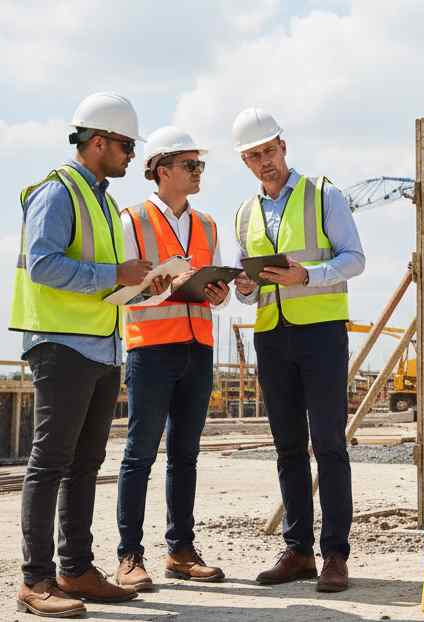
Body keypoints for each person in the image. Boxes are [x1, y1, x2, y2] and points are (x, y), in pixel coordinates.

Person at [10, 92, 148, 617]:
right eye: (126, 145)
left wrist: (143, 281)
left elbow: (103, 275)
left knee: (87, 463)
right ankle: (35, 580)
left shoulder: (105, 200)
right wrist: (116, 275)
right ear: (98, 142)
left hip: (102, 344)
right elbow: (44, 266)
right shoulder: (57, 192)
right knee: (50, 463)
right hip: (61, 344)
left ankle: (76, 569)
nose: (131, 155)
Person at [230, 107, 365, 592]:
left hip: (321, 333)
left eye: (269, 151)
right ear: (245, 162)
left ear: (283, 147)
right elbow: (247, 288)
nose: (264, 162)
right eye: (253, 156)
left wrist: (307, 275)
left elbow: (355, 259)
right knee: (287, 446)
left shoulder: (323, 193)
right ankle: (298, 550)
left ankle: (335, 554)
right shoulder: (244, 213)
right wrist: (244, 286)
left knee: (328, 444)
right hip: (272, 333)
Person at [114, 126, 229, 592]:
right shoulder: (133, 220)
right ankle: (129, 556)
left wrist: (218, 294)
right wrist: (155, 289)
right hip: (151, 350)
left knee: (186, 455)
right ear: (163, 171)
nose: (198, 172)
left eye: (200, 165)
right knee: (139, 454)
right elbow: (119, 294)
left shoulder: (207, 225)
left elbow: (215, 295)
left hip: (197, 350)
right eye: (191, 165)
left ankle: (181, 550)